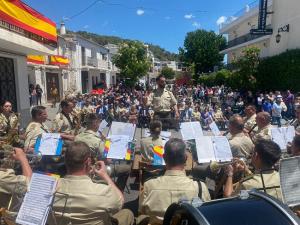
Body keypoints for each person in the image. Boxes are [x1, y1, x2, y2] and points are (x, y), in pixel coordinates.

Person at [52, 142, 134, 225]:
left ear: (65, 161)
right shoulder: (103, 191)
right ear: (88, 161)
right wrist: (105, 175)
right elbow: (120, 200)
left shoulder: (50, 186)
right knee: (127, 213)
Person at [138, 138, 210, 225]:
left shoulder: (148, 186)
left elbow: (141, 213)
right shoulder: (200, 187)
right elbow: (205, 216)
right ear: (186, 158)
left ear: (164, 157)